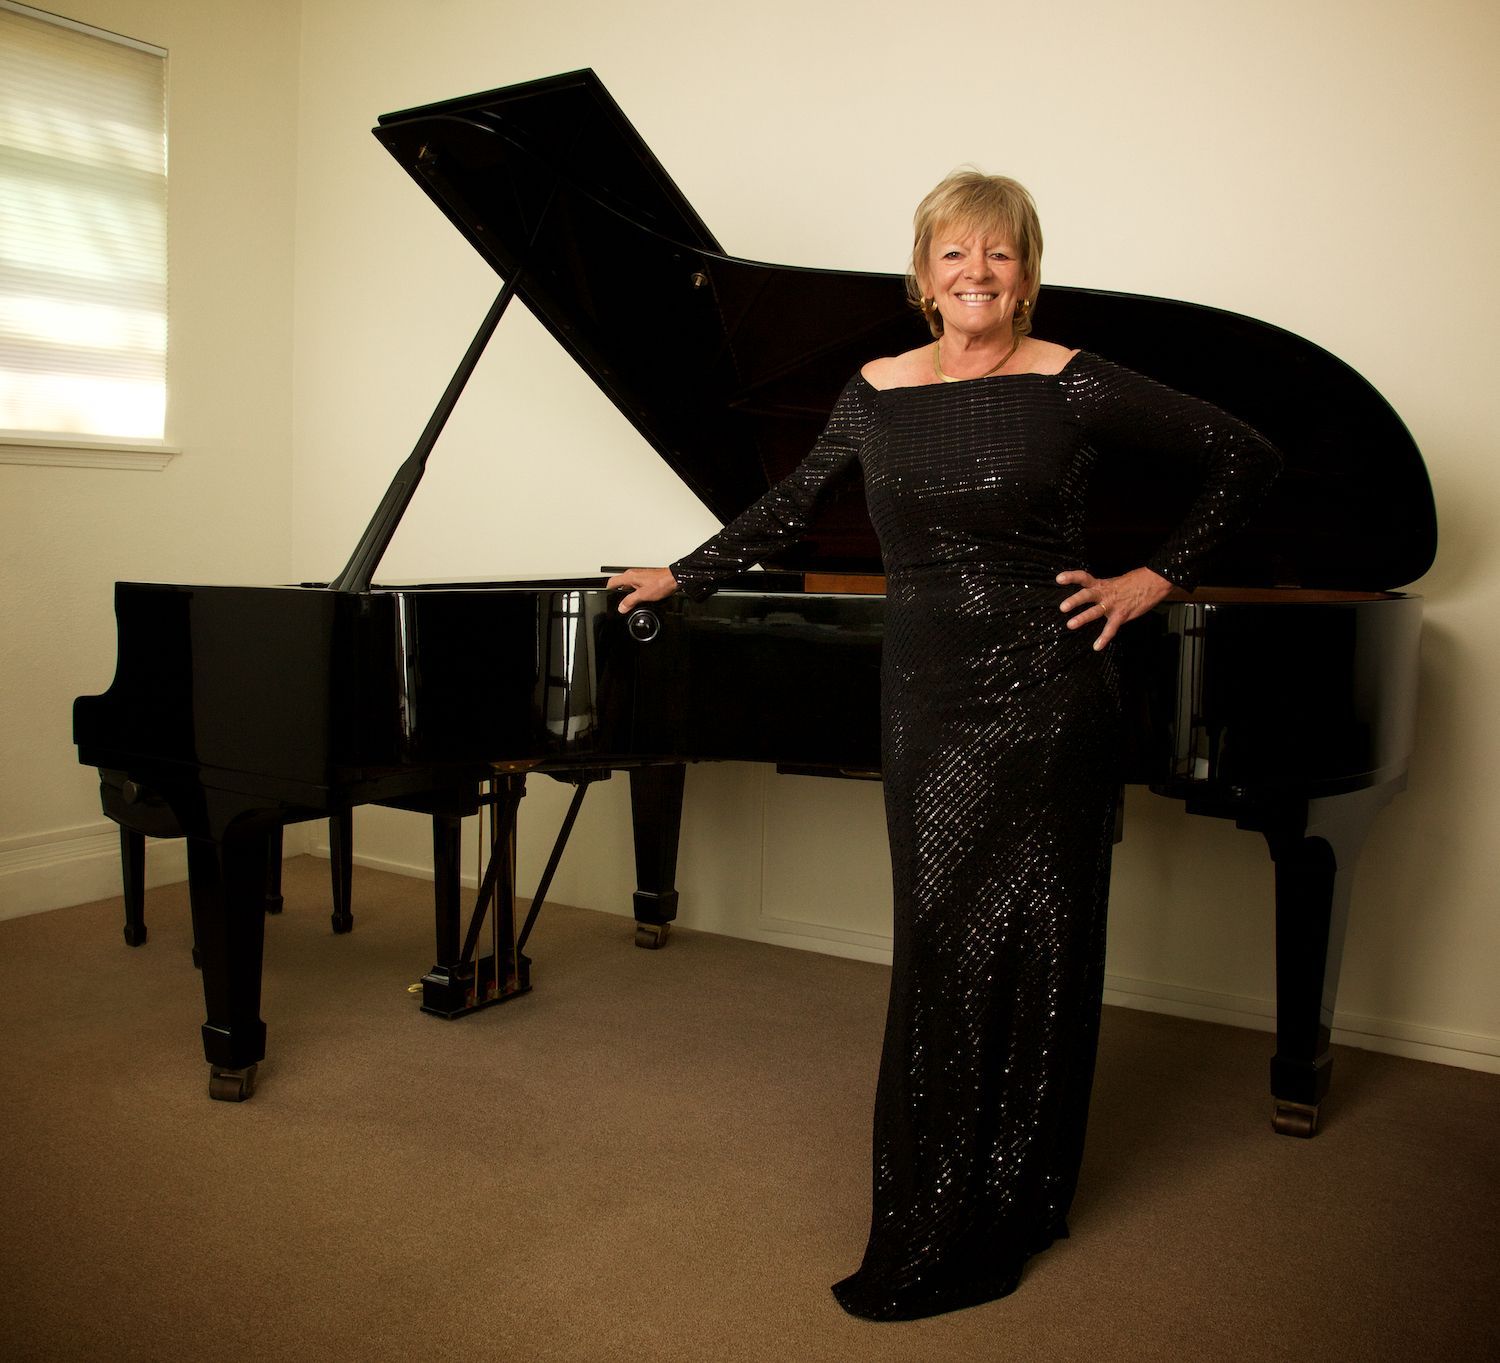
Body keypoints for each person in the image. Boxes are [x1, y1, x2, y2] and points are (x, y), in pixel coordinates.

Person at [608, 171, 1280, 1321]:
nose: (978, 273)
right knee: (941, 940)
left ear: (1027, 271)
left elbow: (1246, 455)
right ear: (922, 277)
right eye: (955, 255)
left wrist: (1154, 576)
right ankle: (932, 1200)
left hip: (1048, 690)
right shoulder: (872, 392)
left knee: (1042, 936)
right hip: (925, 698)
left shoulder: (1070, 381)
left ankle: (1018, 1191)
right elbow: (789, 505)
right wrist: (684, 571)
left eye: (1001, 255)